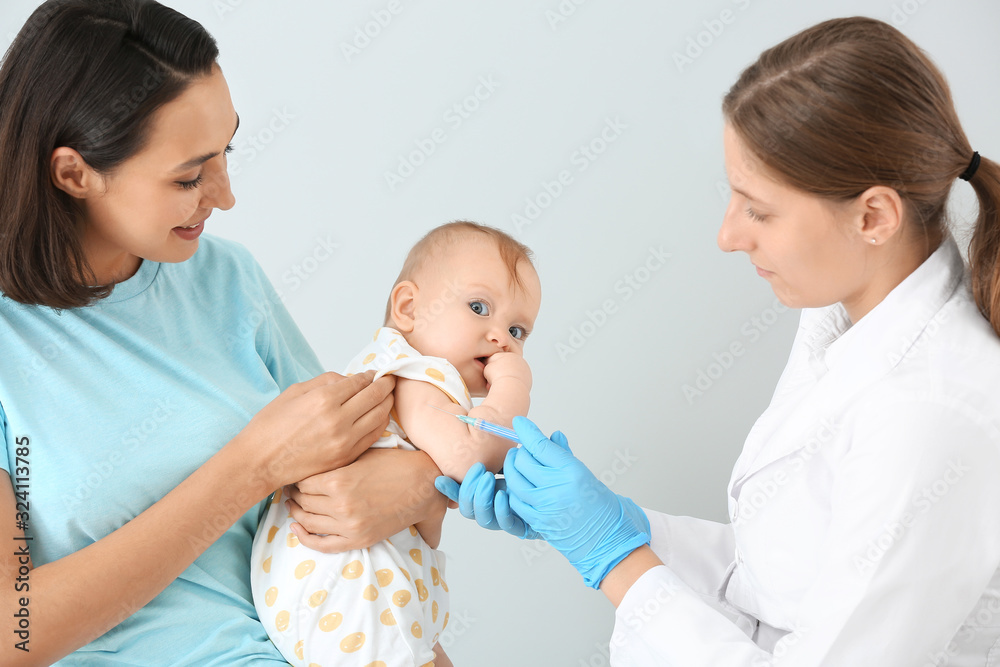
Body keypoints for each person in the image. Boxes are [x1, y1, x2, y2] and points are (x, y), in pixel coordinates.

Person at [437, 16, 1000, 665]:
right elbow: (783, 579)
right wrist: (619, 523)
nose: (728, 236)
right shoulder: (847, 318)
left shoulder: (932, 413)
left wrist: (614, 557)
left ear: (873, 215)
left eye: (758, 209)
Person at [0, 2, 450, 664]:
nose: (226, 194)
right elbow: (14, 631)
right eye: (189, 176)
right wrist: (251, 466)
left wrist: (422, 478)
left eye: (226, 151)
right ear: (73, 174)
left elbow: (356, 495)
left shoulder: (226, 278)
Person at [252, 221, 541, 667]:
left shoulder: (390, 369)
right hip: (354, 590)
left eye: (518, 331)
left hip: (321, 591)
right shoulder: (420, 374)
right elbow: (470, 460)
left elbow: (425, 524)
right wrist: (512, 390)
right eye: (479, 307)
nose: (501, 338)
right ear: (408, 307)